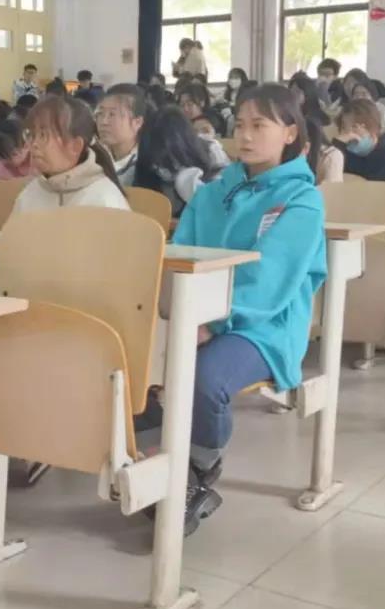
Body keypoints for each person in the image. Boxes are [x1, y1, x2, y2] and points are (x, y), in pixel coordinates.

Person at [136, 83, 326, 533]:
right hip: (197, 314)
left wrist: (214, 322)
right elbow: (179, 256)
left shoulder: (301, 199)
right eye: (239, 124)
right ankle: (157, 457)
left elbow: (270, 280)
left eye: (259, 125)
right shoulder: (213, 193)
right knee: (133, 355)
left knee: (205, 377)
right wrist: (173, 313)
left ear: (290, 133)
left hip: (264, 325)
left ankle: (200, 464)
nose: (245, 135)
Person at [11, 96, 128, 214]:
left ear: (75, 146)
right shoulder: (30, 193)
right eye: (31, 134)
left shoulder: (104, 200)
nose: (34, 144)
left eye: (43, 135)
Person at [135, 105, 220, 217]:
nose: (158, 167)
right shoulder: (148, 174)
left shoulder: (213, 161)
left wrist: (191, 185)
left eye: (165, 159)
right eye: (155, 161)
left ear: (183, 148)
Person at [333, 99, 385, 181]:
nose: (347, 134)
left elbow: (372, 183)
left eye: (354, 127)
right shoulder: (348, 150)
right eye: (343, 127)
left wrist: (337, 146)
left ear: (373, 127)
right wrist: (337, 145)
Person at [97, 83, 147, 187]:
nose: (103, 121)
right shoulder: (93, 155)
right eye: (100, 113)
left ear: (137, 122)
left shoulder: (147, 166)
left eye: (112, 114)